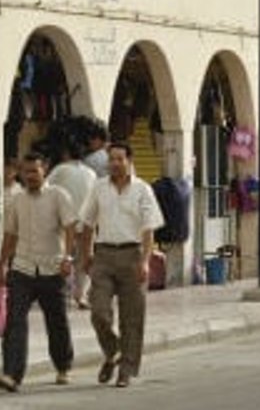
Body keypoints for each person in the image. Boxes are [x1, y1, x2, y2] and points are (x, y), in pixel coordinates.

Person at [78, 142, 164, 388]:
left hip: (132, 256)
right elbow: (86, 223)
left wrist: (145, 262)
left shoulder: (142, 190)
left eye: (119, 159)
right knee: (98, 312)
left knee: (132, 318)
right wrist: (86, 255)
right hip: (103, 255)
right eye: (111, 159)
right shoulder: (98, 188)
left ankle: (125, 369)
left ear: (129, 161)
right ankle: (113, 351)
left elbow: (148, 229)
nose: (114, 164)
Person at [0, 153, 78, 393]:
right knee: (14, 322)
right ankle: (12, 374)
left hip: (52, 269)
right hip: (22, 269)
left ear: (45, 170)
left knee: (57, 321)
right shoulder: (17, 201)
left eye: (34, 172)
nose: (30, 177)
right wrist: (2, 265)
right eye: (26, 172)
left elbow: (71, 227)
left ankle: (63, 365)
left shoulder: (58, 196)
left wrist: (68, 258)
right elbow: (10, 235)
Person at [45, 139, 97, 310]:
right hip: (86, 222)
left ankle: (65, 295)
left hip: (64, 223)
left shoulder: (60, 170)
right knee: (84, 259)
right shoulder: (91, 173)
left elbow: (45, 188)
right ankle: (81, 296)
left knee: (63, 257)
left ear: (66, 154)